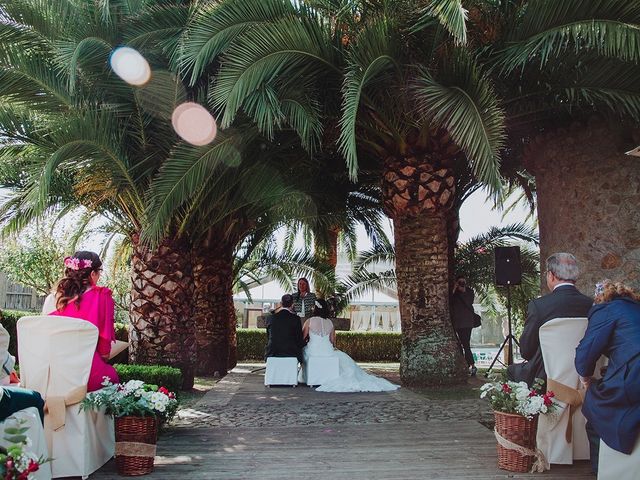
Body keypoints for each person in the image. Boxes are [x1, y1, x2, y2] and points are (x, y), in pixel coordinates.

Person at [575, 280, 640, 475]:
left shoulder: (606, 310)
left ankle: (602, 472)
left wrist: (586, 379)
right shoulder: (635, 309)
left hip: (634, 379)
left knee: (594, 408)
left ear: (600, 298)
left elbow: (584, 356)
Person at [507, 252, 592, 386]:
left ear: (551, 275)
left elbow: (526, 351)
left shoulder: (539, 306)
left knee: (512, 371)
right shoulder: (591, 304)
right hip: (585, 372)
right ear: (576, 276)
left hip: (547, 378)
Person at [43, 251, 119, 392]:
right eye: (99, 272)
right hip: (85, 375)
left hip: (51, 373)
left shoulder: (52, 298)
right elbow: (104, 351)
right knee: (111, 378)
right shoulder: (103, 297)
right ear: (92, 274)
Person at [301, 299, 399, 392]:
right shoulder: (330, 323)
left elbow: (303, 337)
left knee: (303, 352)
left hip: (313, 350)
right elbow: (332, 341)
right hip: (328, 350)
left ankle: (307, 378)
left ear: (316, 308)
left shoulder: (309, 321)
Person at [265, 294, 305, 364]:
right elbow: (299, 340)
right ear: (292, 304)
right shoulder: (296, 319)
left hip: (272, 352)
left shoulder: (270, 318)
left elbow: (268, 337)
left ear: (281, 303)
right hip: (291, 352)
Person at [451, 275, 478, 376]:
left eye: (463, 282)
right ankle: (466, 365)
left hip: (467, 322)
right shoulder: (455, 293)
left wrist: (463, 290)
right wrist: (454, 288)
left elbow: (469, 302)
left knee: (466, 344)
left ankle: (471, 365)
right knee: (460, 344)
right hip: (457, 322)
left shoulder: (469, 292)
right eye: (460, 282)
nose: (462, 284)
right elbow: (450, 301)